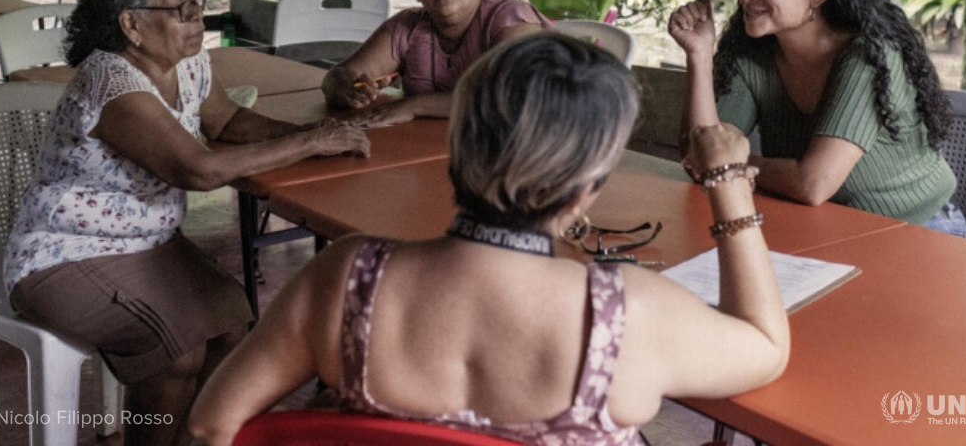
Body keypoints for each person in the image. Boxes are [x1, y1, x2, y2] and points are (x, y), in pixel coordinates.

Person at [188, 33, 789, 446]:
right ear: (585, 191)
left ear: (456, 148)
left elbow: (208, 427)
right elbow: (765, 345)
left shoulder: (348, 279)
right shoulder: (623, 315)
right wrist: (728, 182)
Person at [4, 0, 369, 446]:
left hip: (147, 240)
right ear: (132, 25)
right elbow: (197, 169)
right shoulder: (111, 82)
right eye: (179, 8)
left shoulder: (190, 63)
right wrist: (307, 143)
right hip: (64, 251)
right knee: (176, 350)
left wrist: (312, 134)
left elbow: (227, 120)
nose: (197, 15)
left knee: (233, 332)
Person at [667, 0, 966, 235]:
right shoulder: (753, 54)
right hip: (826, 226)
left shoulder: (870, 58)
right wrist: (698, 56)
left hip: (921, 230)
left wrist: (726, 166)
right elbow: (699, 156)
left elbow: (812, 184)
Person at [321, 0, 550, 125]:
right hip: (438, 151)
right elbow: (338, 76)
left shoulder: (512, 19)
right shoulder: (407, 27)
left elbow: (512, 95)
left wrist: (415, 106)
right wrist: (349, 91)